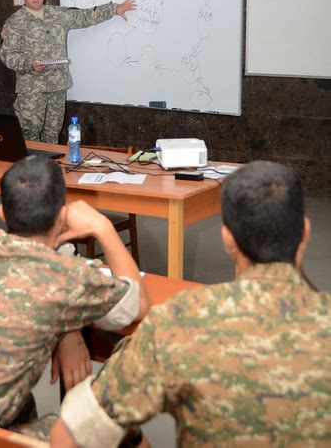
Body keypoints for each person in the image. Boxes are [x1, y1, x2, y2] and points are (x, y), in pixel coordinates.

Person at [51, 161, 331, 447]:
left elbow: (69, 436)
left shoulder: (180, 319)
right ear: (305, 231)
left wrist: (133, 438)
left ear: (227, 238)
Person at [0, 156, 149, 439]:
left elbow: (16, 278)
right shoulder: (68, 278)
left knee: (21, 403)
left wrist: (66, 329)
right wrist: (102, 226)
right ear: (63, 216)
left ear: (3, 213)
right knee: (107, 419)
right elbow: (138, 303)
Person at [0, 0, 136, 144]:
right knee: (29, 135)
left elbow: (85, 16)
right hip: (32, 90)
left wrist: (115, 9)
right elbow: (7, 54)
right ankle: (31, 169)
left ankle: (49, 170)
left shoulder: (57, 13)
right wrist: (29, 64)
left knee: (52, 136)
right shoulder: (14, 22)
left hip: (57, 86)